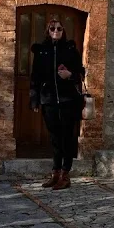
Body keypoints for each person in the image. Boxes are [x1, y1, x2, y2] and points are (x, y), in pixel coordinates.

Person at [29, 16, 84, 190]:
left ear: (63, 31)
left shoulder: (69, 49)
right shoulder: (41, 51)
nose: (56, 32)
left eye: (59, 29)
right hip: (49, 100)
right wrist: (34, 99)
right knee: (54, 139)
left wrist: (70, 75)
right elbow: (35, 77)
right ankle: (55, 173)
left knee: (67, 138)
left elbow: (81, 73)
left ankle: (65, 175)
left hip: (68, 101)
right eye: (52, 29)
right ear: (48, 31)